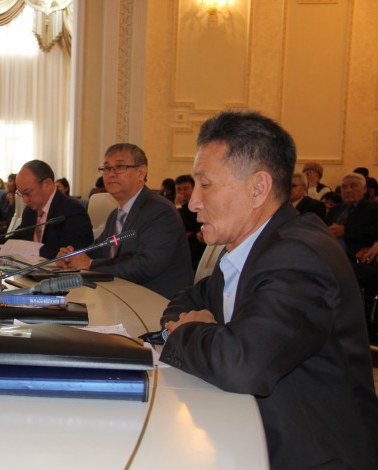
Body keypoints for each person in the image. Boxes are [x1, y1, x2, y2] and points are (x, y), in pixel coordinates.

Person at [158, 111, 378, 469]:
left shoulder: (299, 255)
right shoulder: (253, 247)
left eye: (206, 184)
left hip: (310, 454)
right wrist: (200, 330)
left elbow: (241, 365)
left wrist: (186, 331)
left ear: (258, 188)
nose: (193, 202)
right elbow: (189, 299)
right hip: (258, 431)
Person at [57, 143, 192, 298]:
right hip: (123, 296)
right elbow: (98, 250)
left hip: (157, 302)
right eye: (107, 168)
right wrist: (71, 256)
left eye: (120, 167)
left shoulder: (160, 211)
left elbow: (145, 266)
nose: (111, 174)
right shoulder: (115, 215)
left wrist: (89, 265)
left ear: (141, 172)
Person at [0, 161, 93, 258]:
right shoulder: (29, 211)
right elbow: (17, 238)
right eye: (21, 194)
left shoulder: (72, 211)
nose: (25, 200)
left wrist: (38, 250)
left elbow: (73, 254)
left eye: (27, 193)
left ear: (47, 184)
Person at [325, 172, 378, 260]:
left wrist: (346, 231)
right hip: (329, 253)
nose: (348, 190)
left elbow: (374, 231)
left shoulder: (373, 208)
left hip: (357, 257)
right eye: (344, 187)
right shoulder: (334, 209)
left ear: (364, 189)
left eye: (353, 186)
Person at [175, 174, 205, 269]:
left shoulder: (199, 205)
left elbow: (185, 225)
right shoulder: (170, 203)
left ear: (193, 189)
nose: (182, 192)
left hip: (193, 247)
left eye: (186, 189)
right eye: (178, 189)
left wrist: (178, 205)